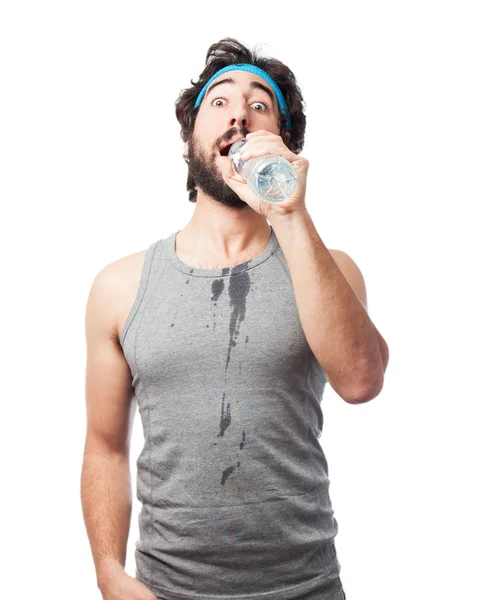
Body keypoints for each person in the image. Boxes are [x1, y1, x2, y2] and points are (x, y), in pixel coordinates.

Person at [81, 37, 389, 600]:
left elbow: (361, 381)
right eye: (218, 102)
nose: (239, 113)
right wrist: (108, 572)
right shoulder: (119, 287)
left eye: (260, 104)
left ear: (285, 140)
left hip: (307, 587)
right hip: (166, 588)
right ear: (192, 136)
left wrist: (289, 210)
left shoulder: (330, 270)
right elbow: (106, 447)